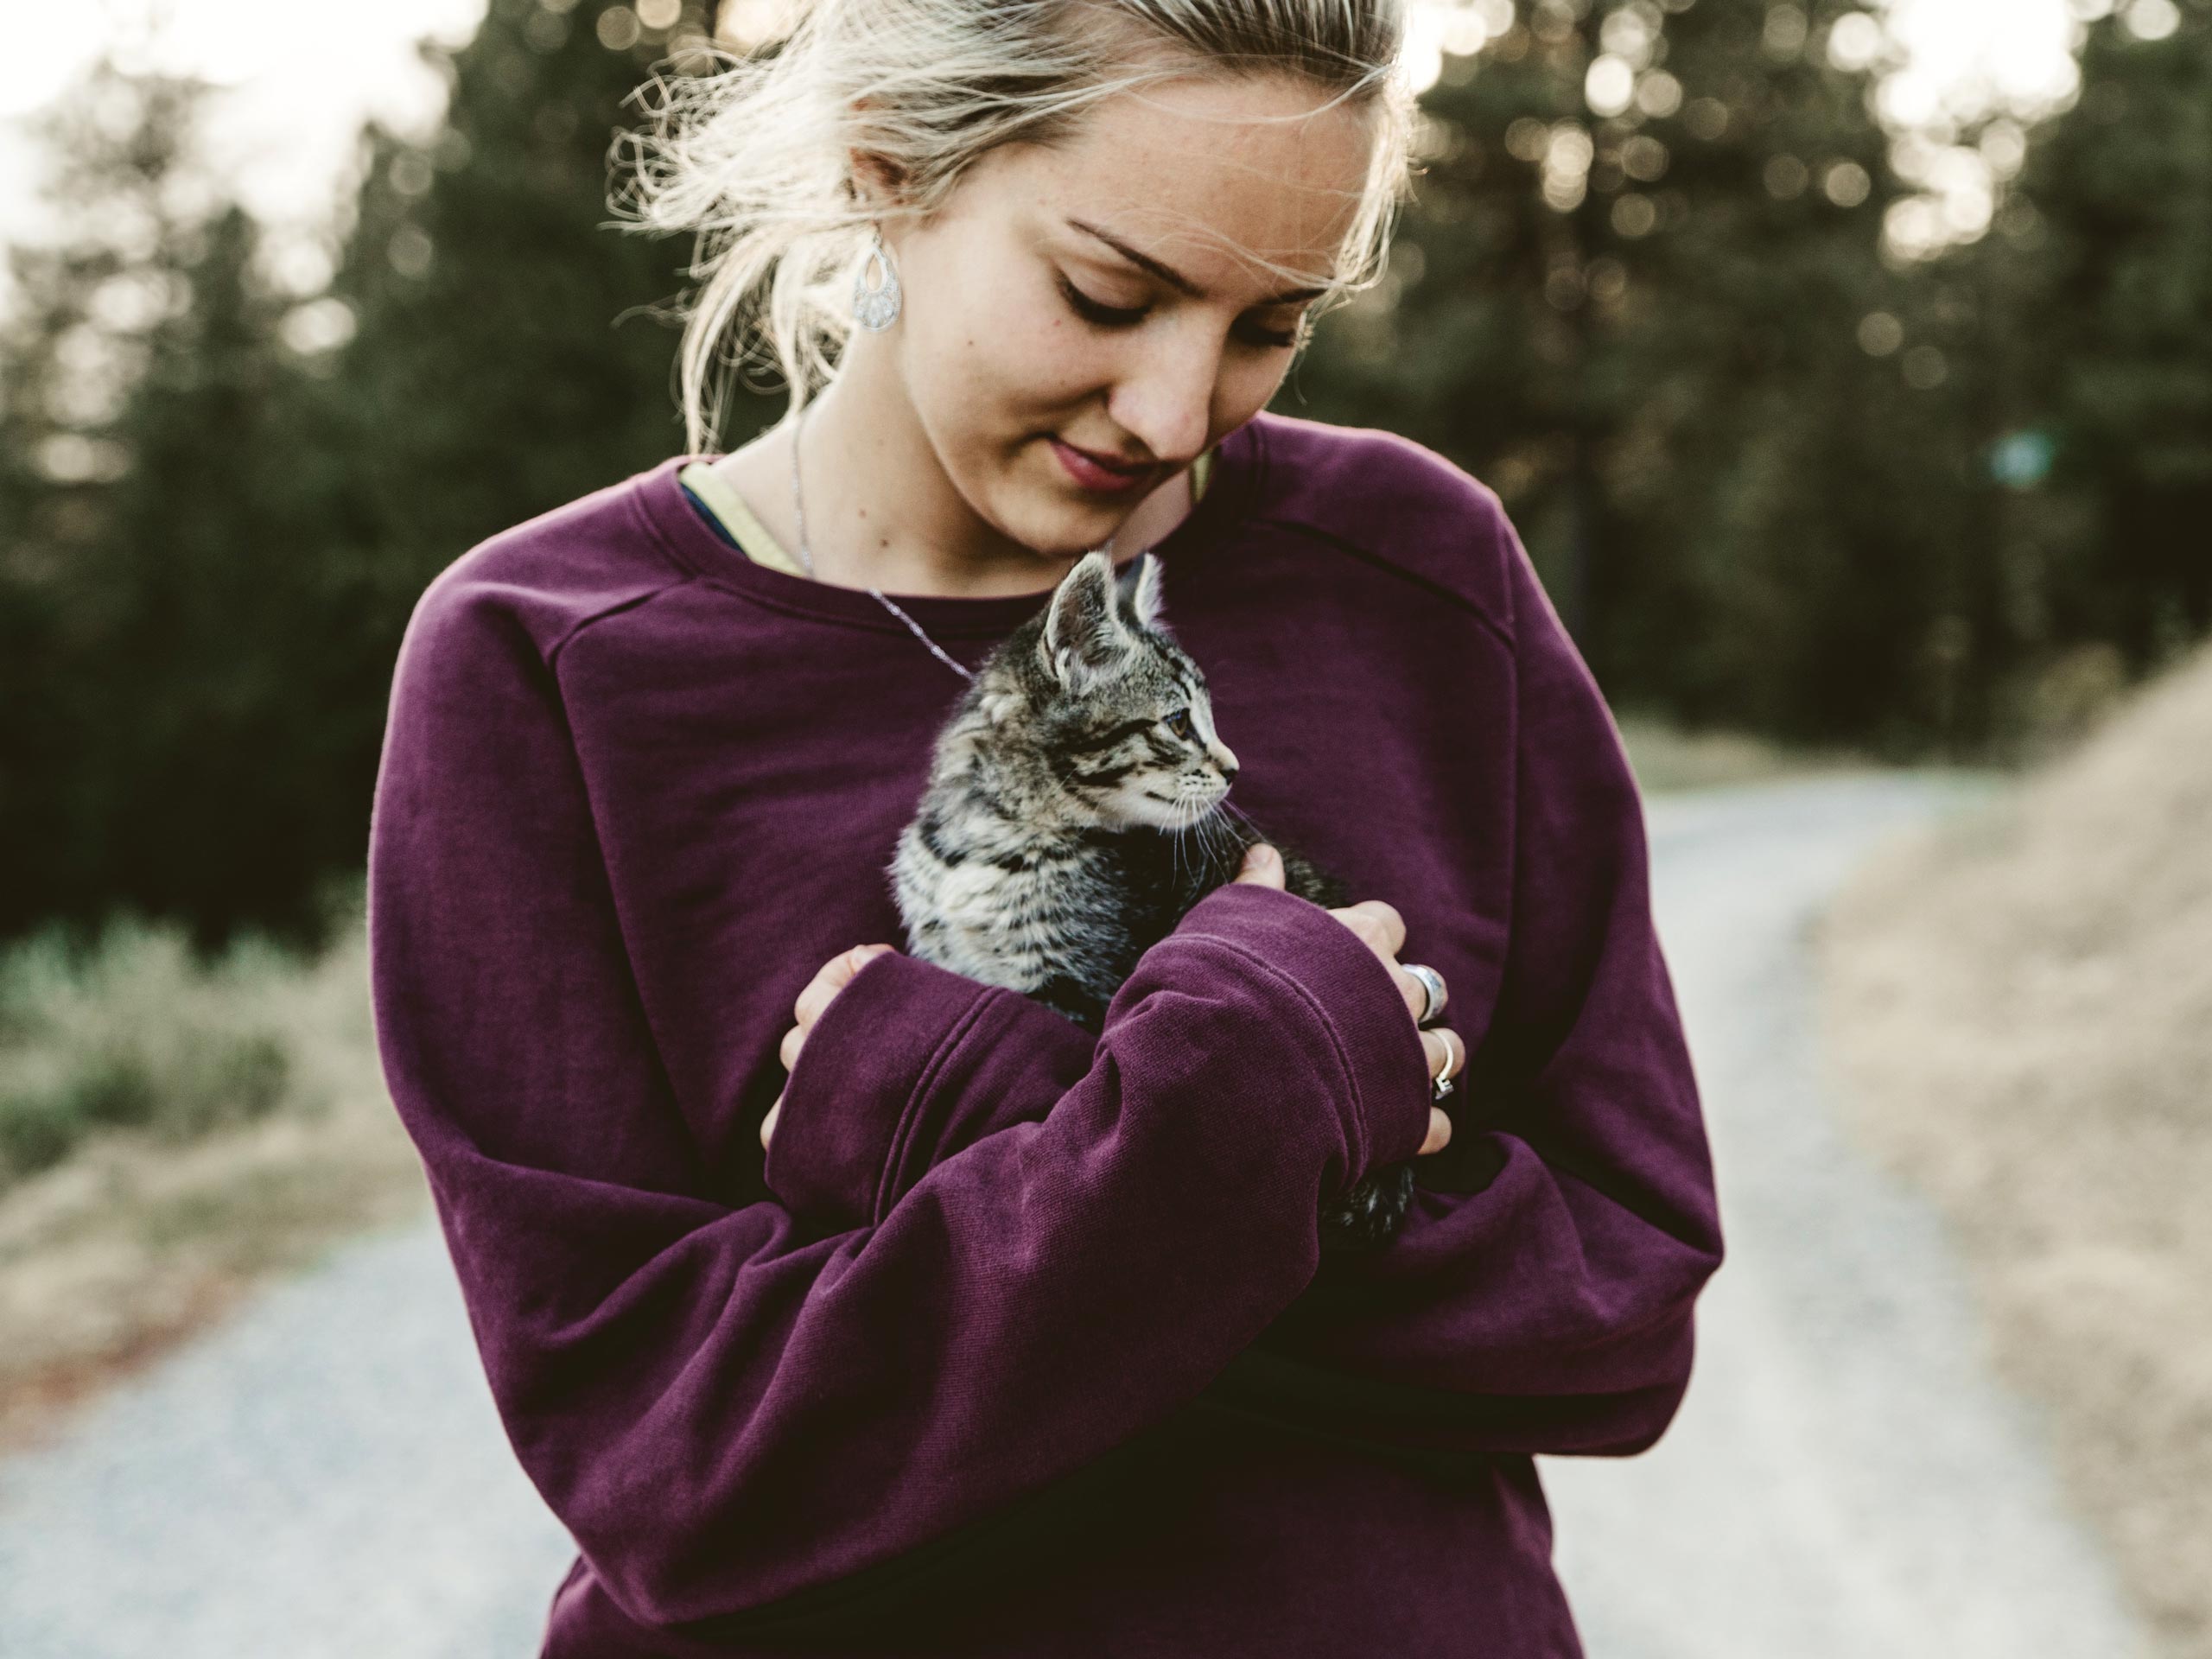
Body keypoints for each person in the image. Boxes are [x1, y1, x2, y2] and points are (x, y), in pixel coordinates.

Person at [365, 0, 1726, 1653]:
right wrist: (1244, 1111)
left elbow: (1620, 1309)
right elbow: (685, 1476)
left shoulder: (1418, 572)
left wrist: (974, 1115)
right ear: (889, 169)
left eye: (1270, 324)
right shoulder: (550, 659)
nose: (1173, 410)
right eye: (1110, 294)